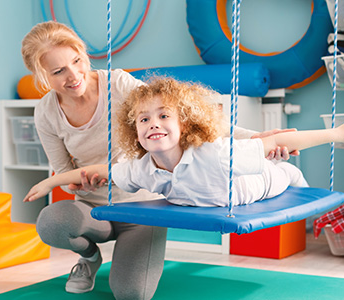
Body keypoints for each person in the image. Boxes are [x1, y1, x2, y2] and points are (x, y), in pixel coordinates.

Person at [21, 22, 297, 299]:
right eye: (59, 71)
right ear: (41, 75)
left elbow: (185, 117)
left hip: (142, 209)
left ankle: (129, 256)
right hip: (95, 211)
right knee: (52, 222)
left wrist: (256, 137)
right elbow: (65, 173)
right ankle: (90, 258)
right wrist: (77, 184)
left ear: (83, 54)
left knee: (131, 293)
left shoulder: (117, 84)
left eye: (77, 61)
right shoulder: (46, 113)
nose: (73, 75)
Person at [23, 77, 343, 208]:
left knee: (281, 163)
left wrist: (334, 135)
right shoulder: (142, 169)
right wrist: (54, 181)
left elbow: (279, 142)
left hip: (262, 182)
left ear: (184, 124)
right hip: (215, 193)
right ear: (135, 132)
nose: (154, 125)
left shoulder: (214, 153)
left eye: (164, 116)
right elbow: (102, 170)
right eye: (144, 120)